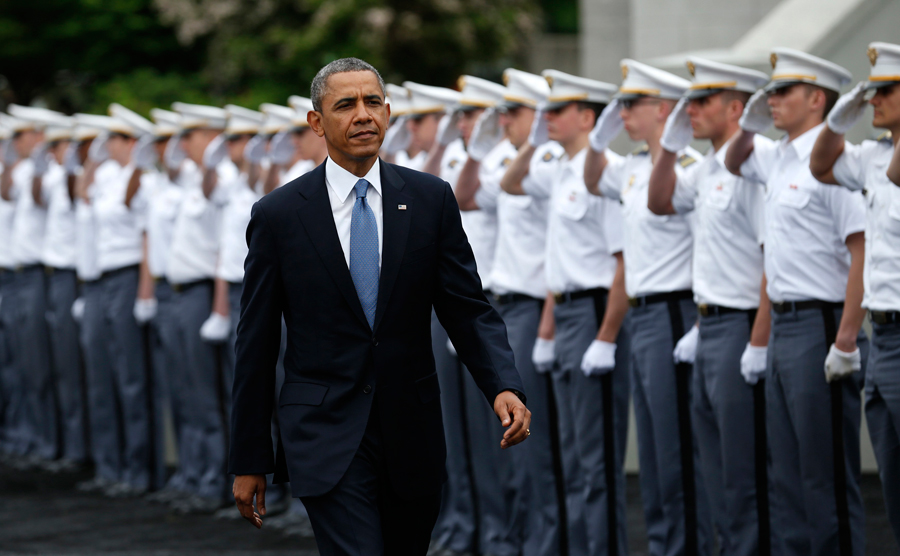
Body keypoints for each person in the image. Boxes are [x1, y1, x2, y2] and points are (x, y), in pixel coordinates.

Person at [229, 57, 531, 556]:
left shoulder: (430, 198)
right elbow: (256, 343)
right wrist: (249, 457)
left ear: (389, 113)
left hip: (410, 433)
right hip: (324, 436)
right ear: (316, 123)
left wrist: (502, 383)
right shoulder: (280, 215)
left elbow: (466, 307)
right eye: (345, 105)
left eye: (373, 102)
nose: (363, 114)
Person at [724, 48, 867, 556]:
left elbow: (861, 253)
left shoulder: (835, 164)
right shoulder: (778, 156)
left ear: (816, 98)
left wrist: (846, 339)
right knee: (784, 473)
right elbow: (733, 159)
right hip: (784, 328)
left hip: (820, 325)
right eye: (770, 93)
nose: (772, 100)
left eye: (782, 92)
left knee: (823, 474)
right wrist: (752, 120)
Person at [584, 59, 711, 556]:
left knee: (678, 450)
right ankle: (664, 545)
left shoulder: (689, 171)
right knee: (657, 454)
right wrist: (598, 140)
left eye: (631, 104)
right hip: (642, 315)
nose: (622, 113)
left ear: (662, 109)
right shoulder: (634, 168)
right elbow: (594, 179)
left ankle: (687, 547)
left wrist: (700, 321)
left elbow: (707, 250)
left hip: (676, 311)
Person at [646, 57, 772, 556]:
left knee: (744, 470)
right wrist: (672, 147)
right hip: (711, 327)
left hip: (743, 327)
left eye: (703, 102)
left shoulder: (754, 164)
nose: (690, 110)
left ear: (737, 107)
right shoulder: (709, 168)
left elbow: (771, 262)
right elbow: (660, 202)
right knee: (717, 466)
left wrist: (758, 342)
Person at [454, 67, 565, 556]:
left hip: (533, 306)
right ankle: (511, 537)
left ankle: (540, 542)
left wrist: (547, 320)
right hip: (500, 306)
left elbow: (557, 247)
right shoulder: (507, 159)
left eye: (513, 112)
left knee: (531, 443)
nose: (504, 121)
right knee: (495, 442)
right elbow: (466, 196)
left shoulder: (551, 160)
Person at [808, 41, 900, 549]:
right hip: (882, 335)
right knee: (891, 478)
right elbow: (821, 166)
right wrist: (840, 121)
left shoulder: (888, 161)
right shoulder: (872, 155)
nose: (874, 99)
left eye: (885, 90)